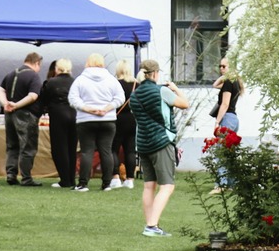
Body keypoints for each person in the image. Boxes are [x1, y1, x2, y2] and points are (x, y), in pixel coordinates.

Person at [129, 58, 190, 236]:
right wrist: (175, 88)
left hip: (142, 143)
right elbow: (184, 104)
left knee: (149, 185)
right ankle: (151, 226)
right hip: (161, 142)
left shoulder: (135, 95)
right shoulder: (162, 91)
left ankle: (150, 224)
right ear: (155, 74)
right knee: (167, 186)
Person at [69, 53, 125, 192]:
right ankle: (106, 183)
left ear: (87, 63)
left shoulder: (80, 80)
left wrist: (88, 109)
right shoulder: (111, 80)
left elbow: (73, 99)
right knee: (106, 151)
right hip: (108, 119)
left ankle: (83, 184)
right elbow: (120, 98)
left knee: (87, 152)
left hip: (86, 120)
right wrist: (107, 108)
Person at [0, 51, 44, 185]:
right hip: (26, 115)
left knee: (12, 145)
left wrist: (5, 103)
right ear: (36, 63)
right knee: (27, 146)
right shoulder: (33, 76)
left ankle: (11, 174)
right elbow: (33, 95)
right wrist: (16, 105)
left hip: (9, 115)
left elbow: (0, 90)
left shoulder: (11, 73)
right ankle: (26, 177)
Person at [41, 59, 78, 188]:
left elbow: (43, 100)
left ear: (57, 69)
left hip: (57, 116)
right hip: (75, 115)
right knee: (72, 148)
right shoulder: (75, 82)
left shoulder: (50, 83)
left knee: (59, 148)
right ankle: (72, 179)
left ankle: (65, 179)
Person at [109, 60, 137, 189]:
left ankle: (115, 177)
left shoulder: (114, 83)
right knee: (130, 150)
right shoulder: (136, 84)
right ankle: (130, 179)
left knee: (113, 148)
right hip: (132, 118)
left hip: (117, 117)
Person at [211, 57, 243, 133]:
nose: (221, 68)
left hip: (227, 118)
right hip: (234, 119)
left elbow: (225, 104)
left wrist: (217, 122)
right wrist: (223, 76)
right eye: (220, 66)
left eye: (224, 66)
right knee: (228, 144)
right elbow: (215, 85)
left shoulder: (228, 82)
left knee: (221, 144)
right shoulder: (235, 81)